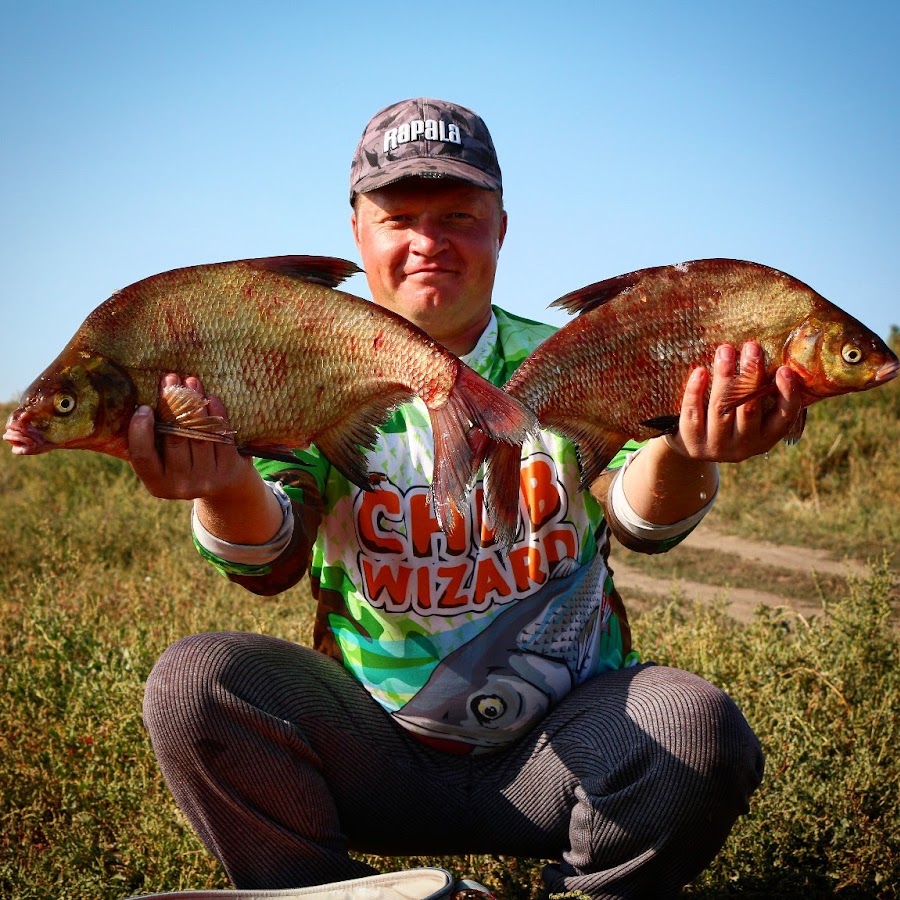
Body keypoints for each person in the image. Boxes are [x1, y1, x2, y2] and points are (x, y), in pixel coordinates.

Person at [129, 98, 803, 899]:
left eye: (459, 215)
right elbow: (270, 558)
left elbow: (638, 518)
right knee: (194, 682)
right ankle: (319, 888)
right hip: (373, 750)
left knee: (693, 728)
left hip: (561, 751)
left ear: (502, 228)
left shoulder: (581, 356)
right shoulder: (296, 360)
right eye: (399, 217)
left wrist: (688, 449)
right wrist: (223, 482)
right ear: (357, 233)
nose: (428, 242)